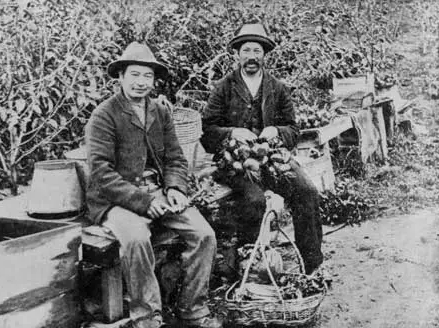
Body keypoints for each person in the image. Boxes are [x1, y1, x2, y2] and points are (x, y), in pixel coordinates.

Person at [85, 42, 222, 328]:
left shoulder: (160, 111)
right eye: (134, 75)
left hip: (159, 193)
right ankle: (147, 319)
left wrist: (174, 188)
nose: (140, 82)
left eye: (147, 76)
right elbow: (101, 173)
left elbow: (175, 158)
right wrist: (145, 202)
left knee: (204, 234)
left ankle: (192, 309)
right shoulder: (104, 115)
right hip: (116, 200)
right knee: (136, 238)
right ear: (120, 77)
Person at [200, 24, 323, 275]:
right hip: (236, 164)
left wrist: (276, 131)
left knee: (307, 192)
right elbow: (208, 131)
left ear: (265, 54)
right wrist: (232, 133)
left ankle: (313, 266)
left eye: (257, 50)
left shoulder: (277, 88)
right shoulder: (224, 87)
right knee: (254, 200)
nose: (252, 56)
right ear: (237, 54)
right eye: (246, 50)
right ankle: (250, 267)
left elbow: (293, 129)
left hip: (272, 160)